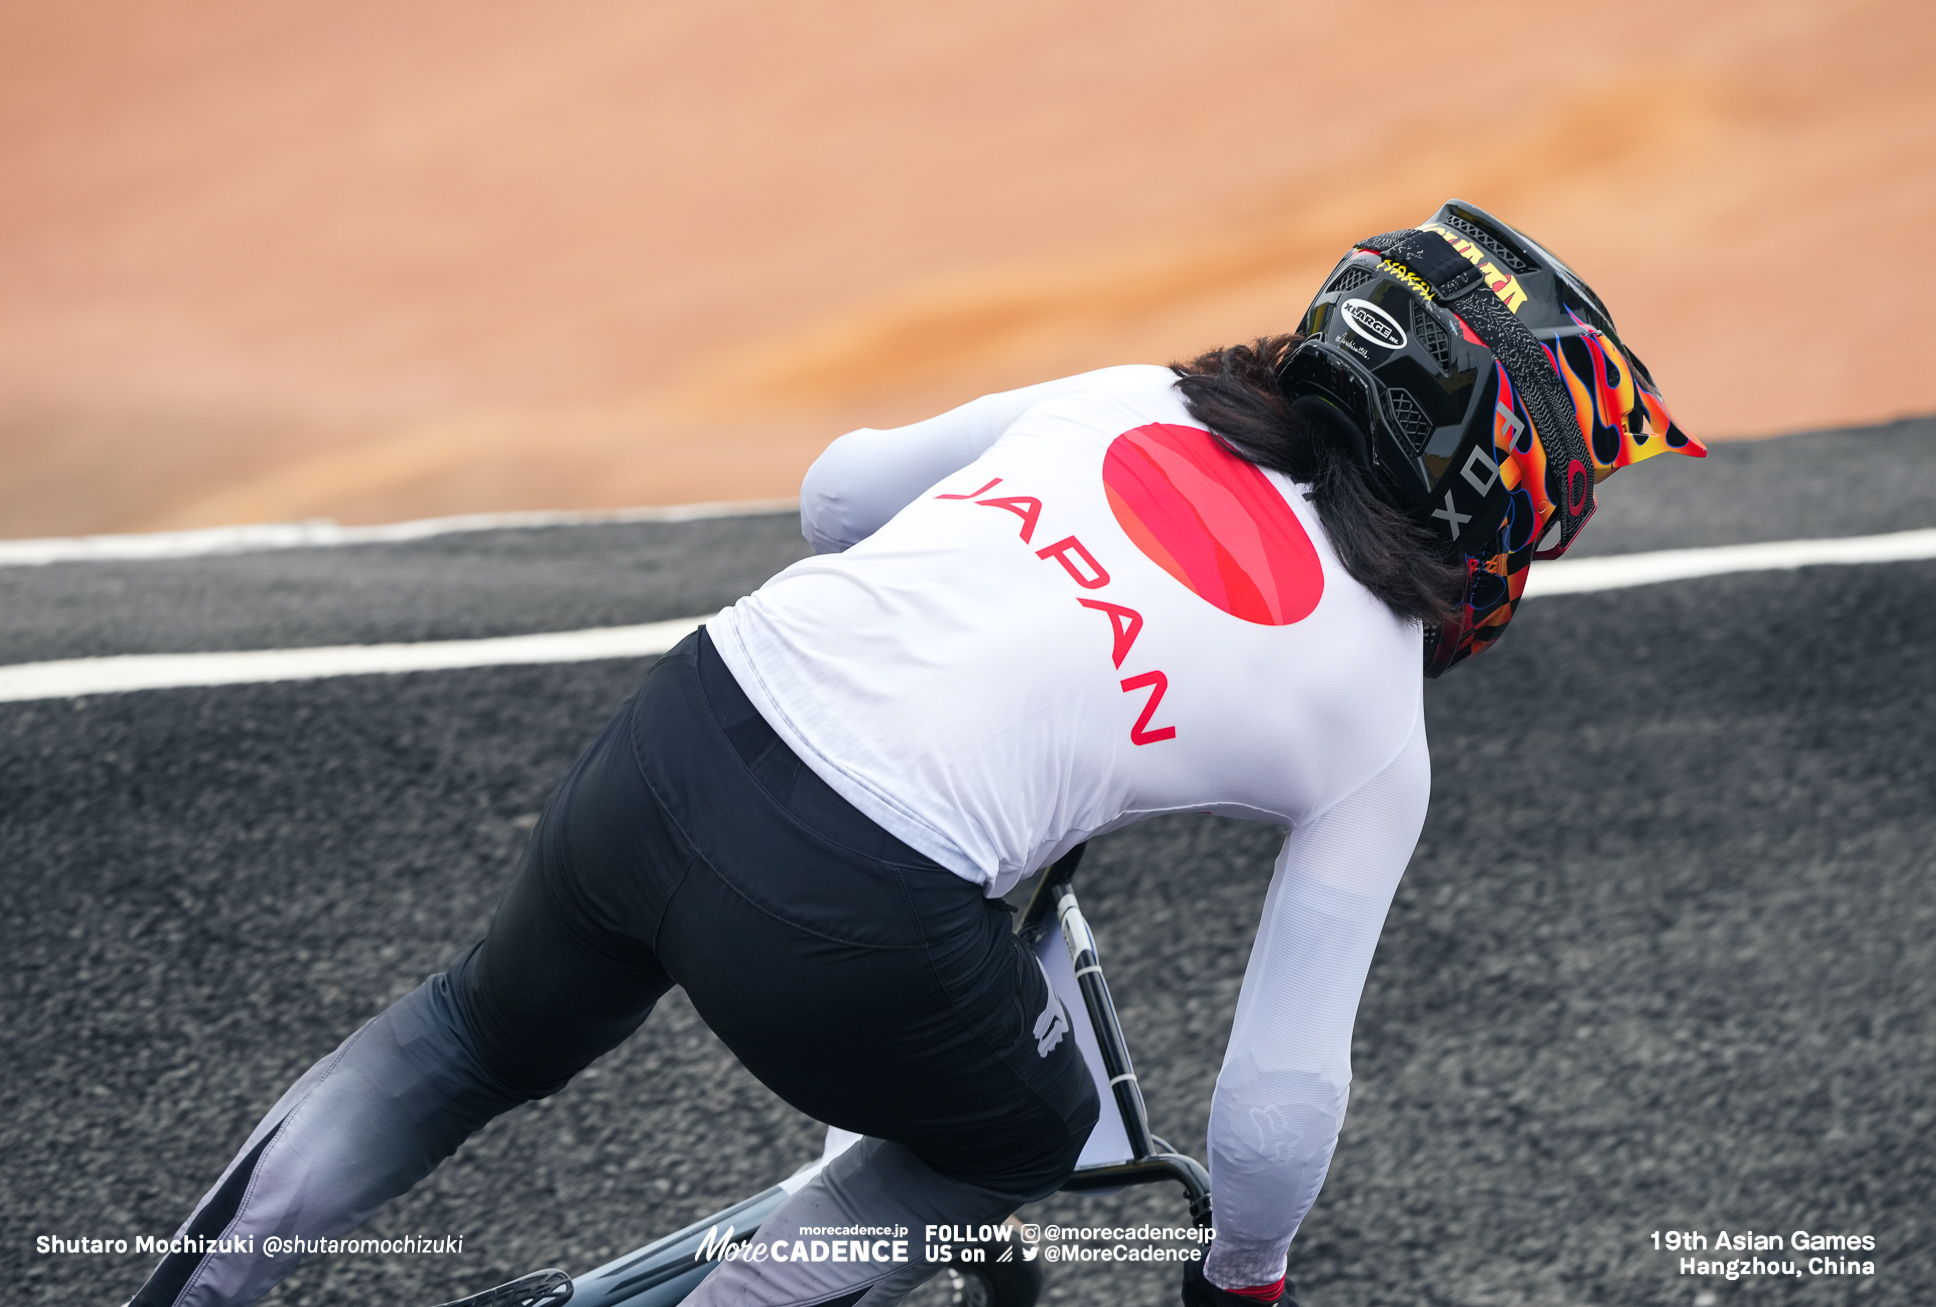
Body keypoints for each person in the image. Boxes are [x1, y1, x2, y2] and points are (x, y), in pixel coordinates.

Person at [127, 200, 1704, 1307]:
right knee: (1024, 1134)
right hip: (850, 915)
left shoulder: (1132, 397)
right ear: (1484, 480)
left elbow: (833, 494)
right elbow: (1275, 1101)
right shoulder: (1372, 719)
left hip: (690, 723)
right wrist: (1244, 1281)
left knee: (470, 1038)